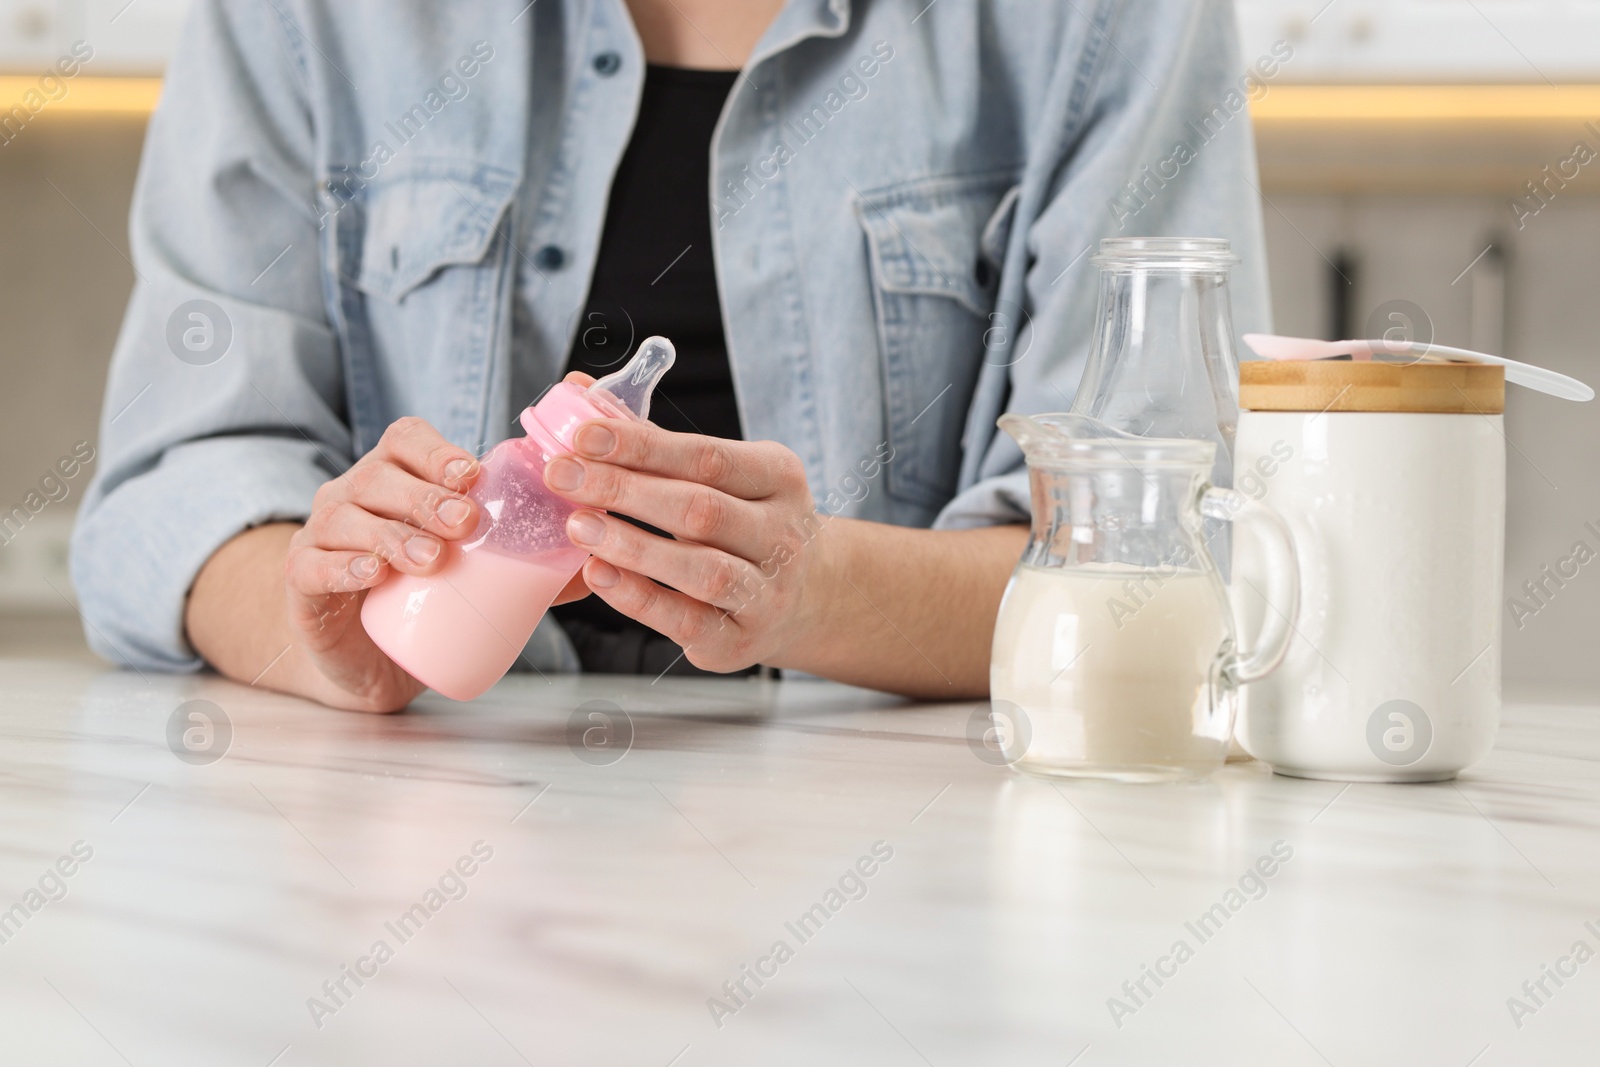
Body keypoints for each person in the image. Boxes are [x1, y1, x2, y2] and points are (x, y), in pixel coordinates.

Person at [71, 0, 1269, 711]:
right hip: (433, 846)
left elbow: (1163, 556)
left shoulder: (1104, 24)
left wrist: (811, 590)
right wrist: (322, 634)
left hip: (916, 875)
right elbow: (175, 483)